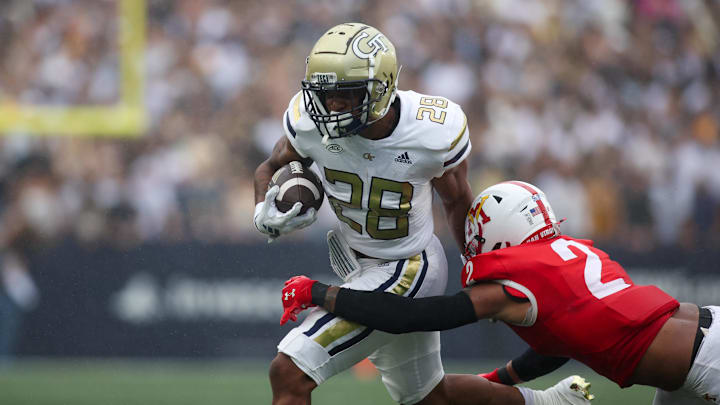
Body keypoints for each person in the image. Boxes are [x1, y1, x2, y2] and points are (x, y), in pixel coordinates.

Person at [254, 23, 592, 405]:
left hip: (407, 266)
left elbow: (456, 200)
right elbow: (269, 167)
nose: (332, 106)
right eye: (326, 94)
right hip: (357, 265)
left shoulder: (431, 130)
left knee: (289, 371)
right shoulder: (308, 121)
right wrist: (262, 210)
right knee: (431, 398)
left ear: (380, 88)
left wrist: (479, 269)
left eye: (346, 95)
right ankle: (552, 403)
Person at [281, 180, 720, 404]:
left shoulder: (519, 280)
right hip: (697, 349)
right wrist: (502, 381)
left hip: (705, 361)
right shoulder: (569, 253)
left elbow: (413, 317)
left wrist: (322, 293)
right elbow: (567, 339)